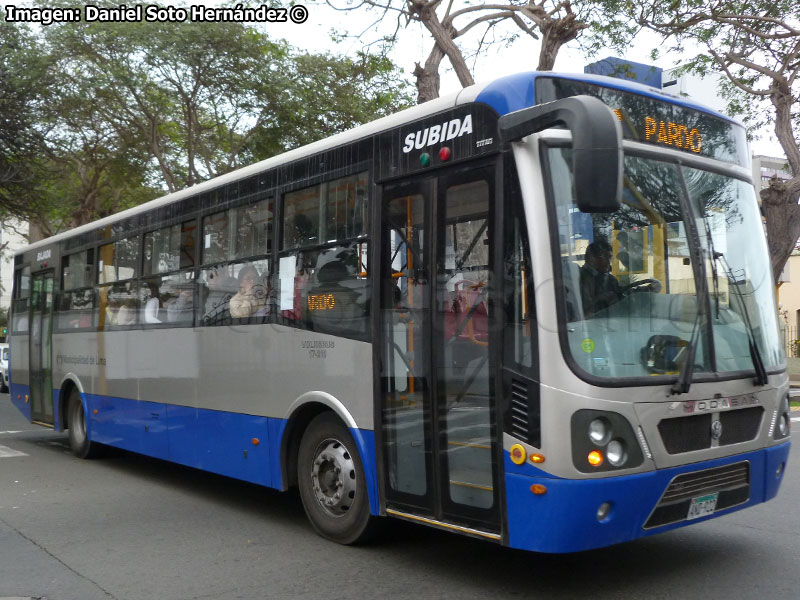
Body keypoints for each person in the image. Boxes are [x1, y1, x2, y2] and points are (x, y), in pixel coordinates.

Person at [580, 240, 622, 316]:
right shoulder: (581, 278)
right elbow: (584, 308)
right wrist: (599, 298)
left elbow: (621, 294)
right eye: (603, 257)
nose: (608, 262)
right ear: (590, 258)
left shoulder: (611, 280)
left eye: (609, 258)